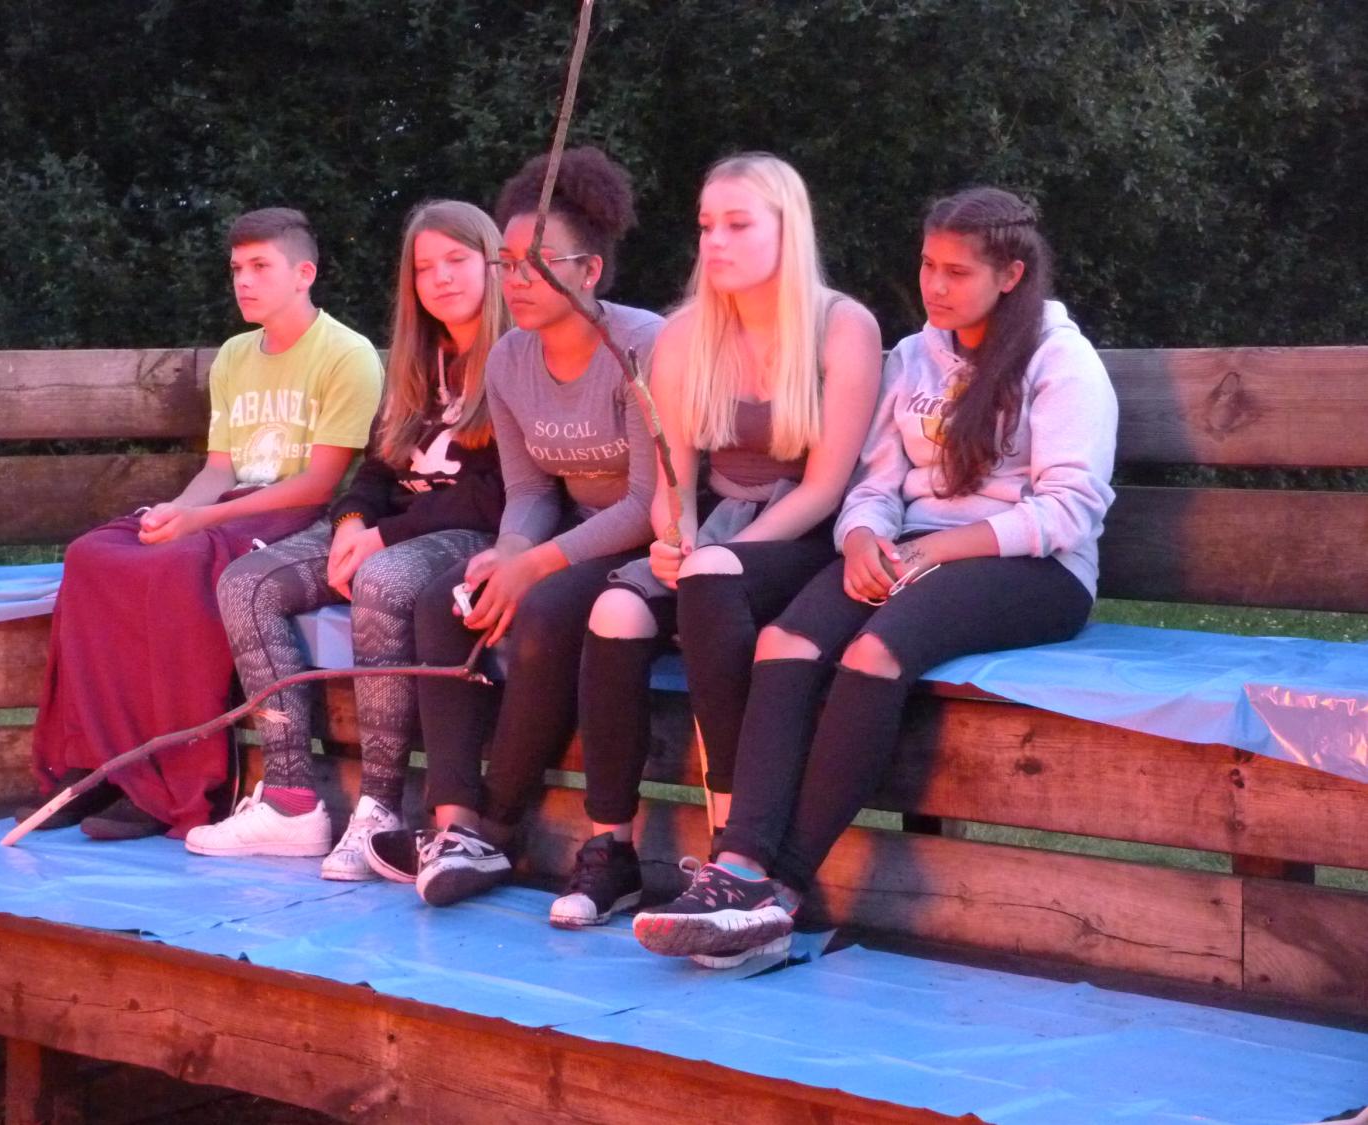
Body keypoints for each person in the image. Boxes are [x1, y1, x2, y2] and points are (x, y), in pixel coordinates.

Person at [632, 186, 1118, 964]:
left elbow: (1070, 509)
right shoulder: (914, 355)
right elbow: (875, 483)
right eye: (928, 265)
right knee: (786, 643)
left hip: (1033, 567)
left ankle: (783, 890)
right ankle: (738, 867)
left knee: (872, 653)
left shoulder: (1062, 361)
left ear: (1011, 275)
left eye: (957, 272)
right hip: (908, 549)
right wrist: (860, 537)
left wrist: (937, 552)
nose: (935, 286)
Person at [550, 153, 882, 929]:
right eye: (707, 226)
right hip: (717, 530)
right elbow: (675, 478)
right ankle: (611, 850)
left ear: (787, 230)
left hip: (809, 536)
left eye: (738, 225)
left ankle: (732, 841)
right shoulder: (685, 335)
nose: (716, 242)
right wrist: (675, 539)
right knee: (615, 612)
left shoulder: (843, 327)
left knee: (710, 578)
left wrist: (719, 557)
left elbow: (826, 486)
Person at [361, 147, 664, 906]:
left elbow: (645, 501)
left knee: (546, 611)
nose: (516, 281)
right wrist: (507, 554)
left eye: (538, 264)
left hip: (645, 538)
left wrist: (534, 567)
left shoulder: (642, 347)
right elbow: (528, 490)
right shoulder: (508, 359)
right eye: (507, 264)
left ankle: (497, 827)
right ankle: (452, 822)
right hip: (565, 528)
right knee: (447, 601)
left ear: (589, 272)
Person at [26, 208, 382, 840]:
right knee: (92, 556)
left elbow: (320, 483)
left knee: (177, 570)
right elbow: (219, 468)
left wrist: (201, 523)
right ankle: (98, 763)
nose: (243, 281)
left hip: (296, 514)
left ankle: (172, 783)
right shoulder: (235, 356)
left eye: (260, 267)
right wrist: (178, 512)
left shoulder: (346, 354)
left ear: (304, 274)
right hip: (230, 505)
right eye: (237, 268)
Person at [183, 200, 511, 876]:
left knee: (379, 580)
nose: (442, 277)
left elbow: (495, 493)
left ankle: (380, 809)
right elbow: (377, 470)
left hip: (469, 533)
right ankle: (291, 801)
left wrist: (384, 535)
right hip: (390, 528)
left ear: (493, 265)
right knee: (246, 584)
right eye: (425, 267)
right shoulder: (417, 360)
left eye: (457, 260)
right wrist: (352, 522)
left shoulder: (513, 357)